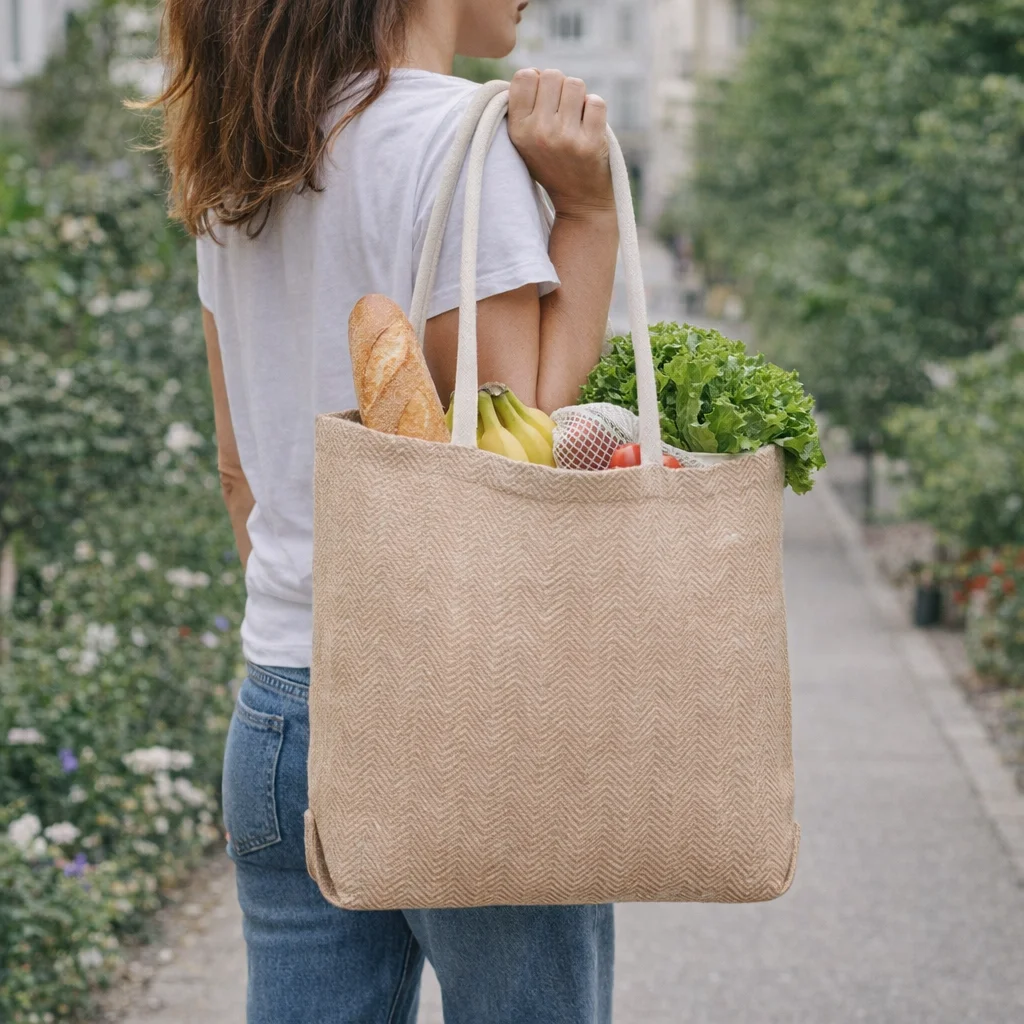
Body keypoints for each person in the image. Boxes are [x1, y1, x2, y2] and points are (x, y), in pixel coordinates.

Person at [148, 1, 619, 1021]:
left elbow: (241, 472)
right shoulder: (457, 138)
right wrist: (587, 215)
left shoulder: (244, 158)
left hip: (281, 703)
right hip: (465, 707)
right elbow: (511, 465)